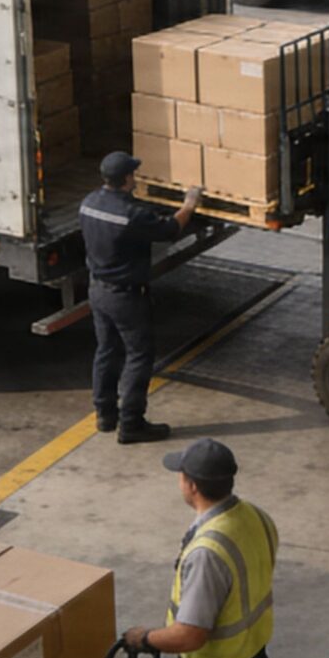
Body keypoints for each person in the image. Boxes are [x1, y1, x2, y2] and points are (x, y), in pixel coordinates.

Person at [123, 438, 277, 658]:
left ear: (191, 486)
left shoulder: (208, 553)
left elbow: (189, 636)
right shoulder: (256, 516)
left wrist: (144, 639)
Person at [83, 151, 201, 444]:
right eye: (133, 174)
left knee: (106, 351)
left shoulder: (88, 204)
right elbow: (170, 229)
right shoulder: (130, 215)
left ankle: (105, 415)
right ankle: (132, 423)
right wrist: (189, 203)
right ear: (126, 179)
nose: (135, 178)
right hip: (126, 297)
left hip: (97, 290)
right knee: (138, 356)